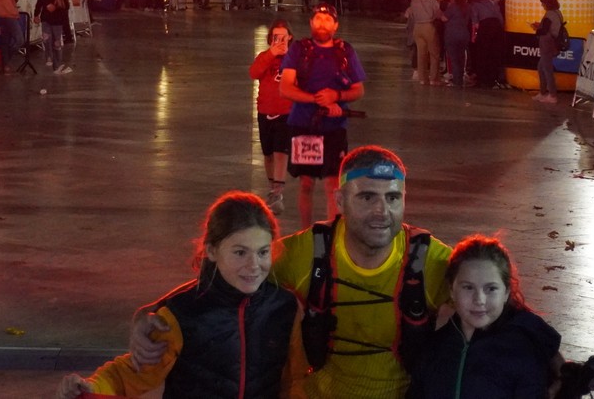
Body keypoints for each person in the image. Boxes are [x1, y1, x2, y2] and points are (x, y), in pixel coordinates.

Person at [136, 147, 453, 399]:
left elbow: (485, 304)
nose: (382, 211)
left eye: (393, 198)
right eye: (367, 197)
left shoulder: (429, 259)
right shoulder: (307, 252)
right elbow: (230, 281)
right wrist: (152, 312)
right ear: (340, 200)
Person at [59, 192, 306, 399]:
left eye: (263, 252)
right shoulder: (181, 314)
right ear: (211, 251)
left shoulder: (285, 307)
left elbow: (296, 380)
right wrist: (90, 387)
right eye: (240, 253)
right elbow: (130, 375)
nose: (253, 265)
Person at [406, 235, 561, 399]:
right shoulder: (434, 348)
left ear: (506, 292)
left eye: (491, 289)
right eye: (468, 287)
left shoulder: (523, 349)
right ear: (451, 290)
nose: (479, 300)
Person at [279, 3, 366, 227]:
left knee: (333, 184)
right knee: (306, 183)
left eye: (327, 20)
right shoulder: (299, 50)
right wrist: (319, 100)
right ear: (311, 23)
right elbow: (285, 87)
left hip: (334, 128)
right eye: (318, 19)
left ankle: (332, 233)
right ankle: (306, 232)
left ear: (336, 25)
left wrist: (336, 96)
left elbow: (358, 89)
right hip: (303, 124)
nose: (322, 24)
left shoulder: (345, 52)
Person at [250, 19, 294, 214]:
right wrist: (271, 55)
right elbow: (254, 72)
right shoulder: (264, 57)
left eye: (283, 37)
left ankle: (277, 192)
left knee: (280, 152)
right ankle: (272, 187)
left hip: (286, 114)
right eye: (276, 37)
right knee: (268, 154)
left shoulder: (295, 59)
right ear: (270, 39)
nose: (280, 41)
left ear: (290, 38)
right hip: (265, 112)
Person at [405, 0, 446, 86]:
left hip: (417, 28)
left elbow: (407, 14)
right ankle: (434, 79)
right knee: (434, 54)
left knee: (421, 54)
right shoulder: (432, 2)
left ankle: (422, 79)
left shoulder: (415, 1)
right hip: (428, 27)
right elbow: (440, 16)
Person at [531, 0, 563, 103]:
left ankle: (552, 95)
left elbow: (544, 30)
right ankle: (543, 92)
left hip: (547, 43)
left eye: (542, 2)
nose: (542, 5)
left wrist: (537, 28)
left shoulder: (549, 14)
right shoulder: (557, 13)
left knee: (547, 69)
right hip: (552, 43)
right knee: (541, 68)